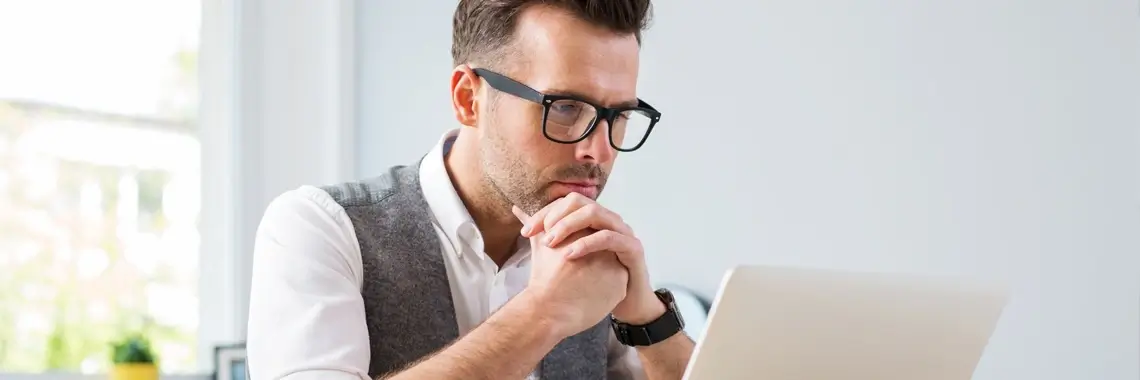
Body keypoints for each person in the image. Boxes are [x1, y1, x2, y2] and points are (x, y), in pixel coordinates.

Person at [246, 0, 695, 379]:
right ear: (468, 98)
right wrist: (542, 312)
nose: (596, 150)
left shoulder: (590, 258)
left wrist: (645, 317)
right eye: (564, 108)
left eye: (618, 116)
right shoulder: (318, 228)